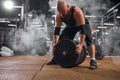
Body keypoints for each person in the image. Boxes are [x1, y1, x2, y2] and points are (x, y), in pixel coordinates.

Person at [47, 0, 97, 69]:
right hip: (71, 27)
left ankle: (93, 60)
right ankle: (55, 58)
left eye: (64, 12)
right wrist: (55, 44)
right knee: (60, 41)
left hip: (83, 24)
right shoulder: (59, 15)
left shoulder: (77, 11)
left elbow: (83, 30)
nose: (62, 14)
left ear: (68, 7)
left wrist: (81, 45)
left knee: (88, 39)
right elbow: (56, 32)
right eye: (60, 13)